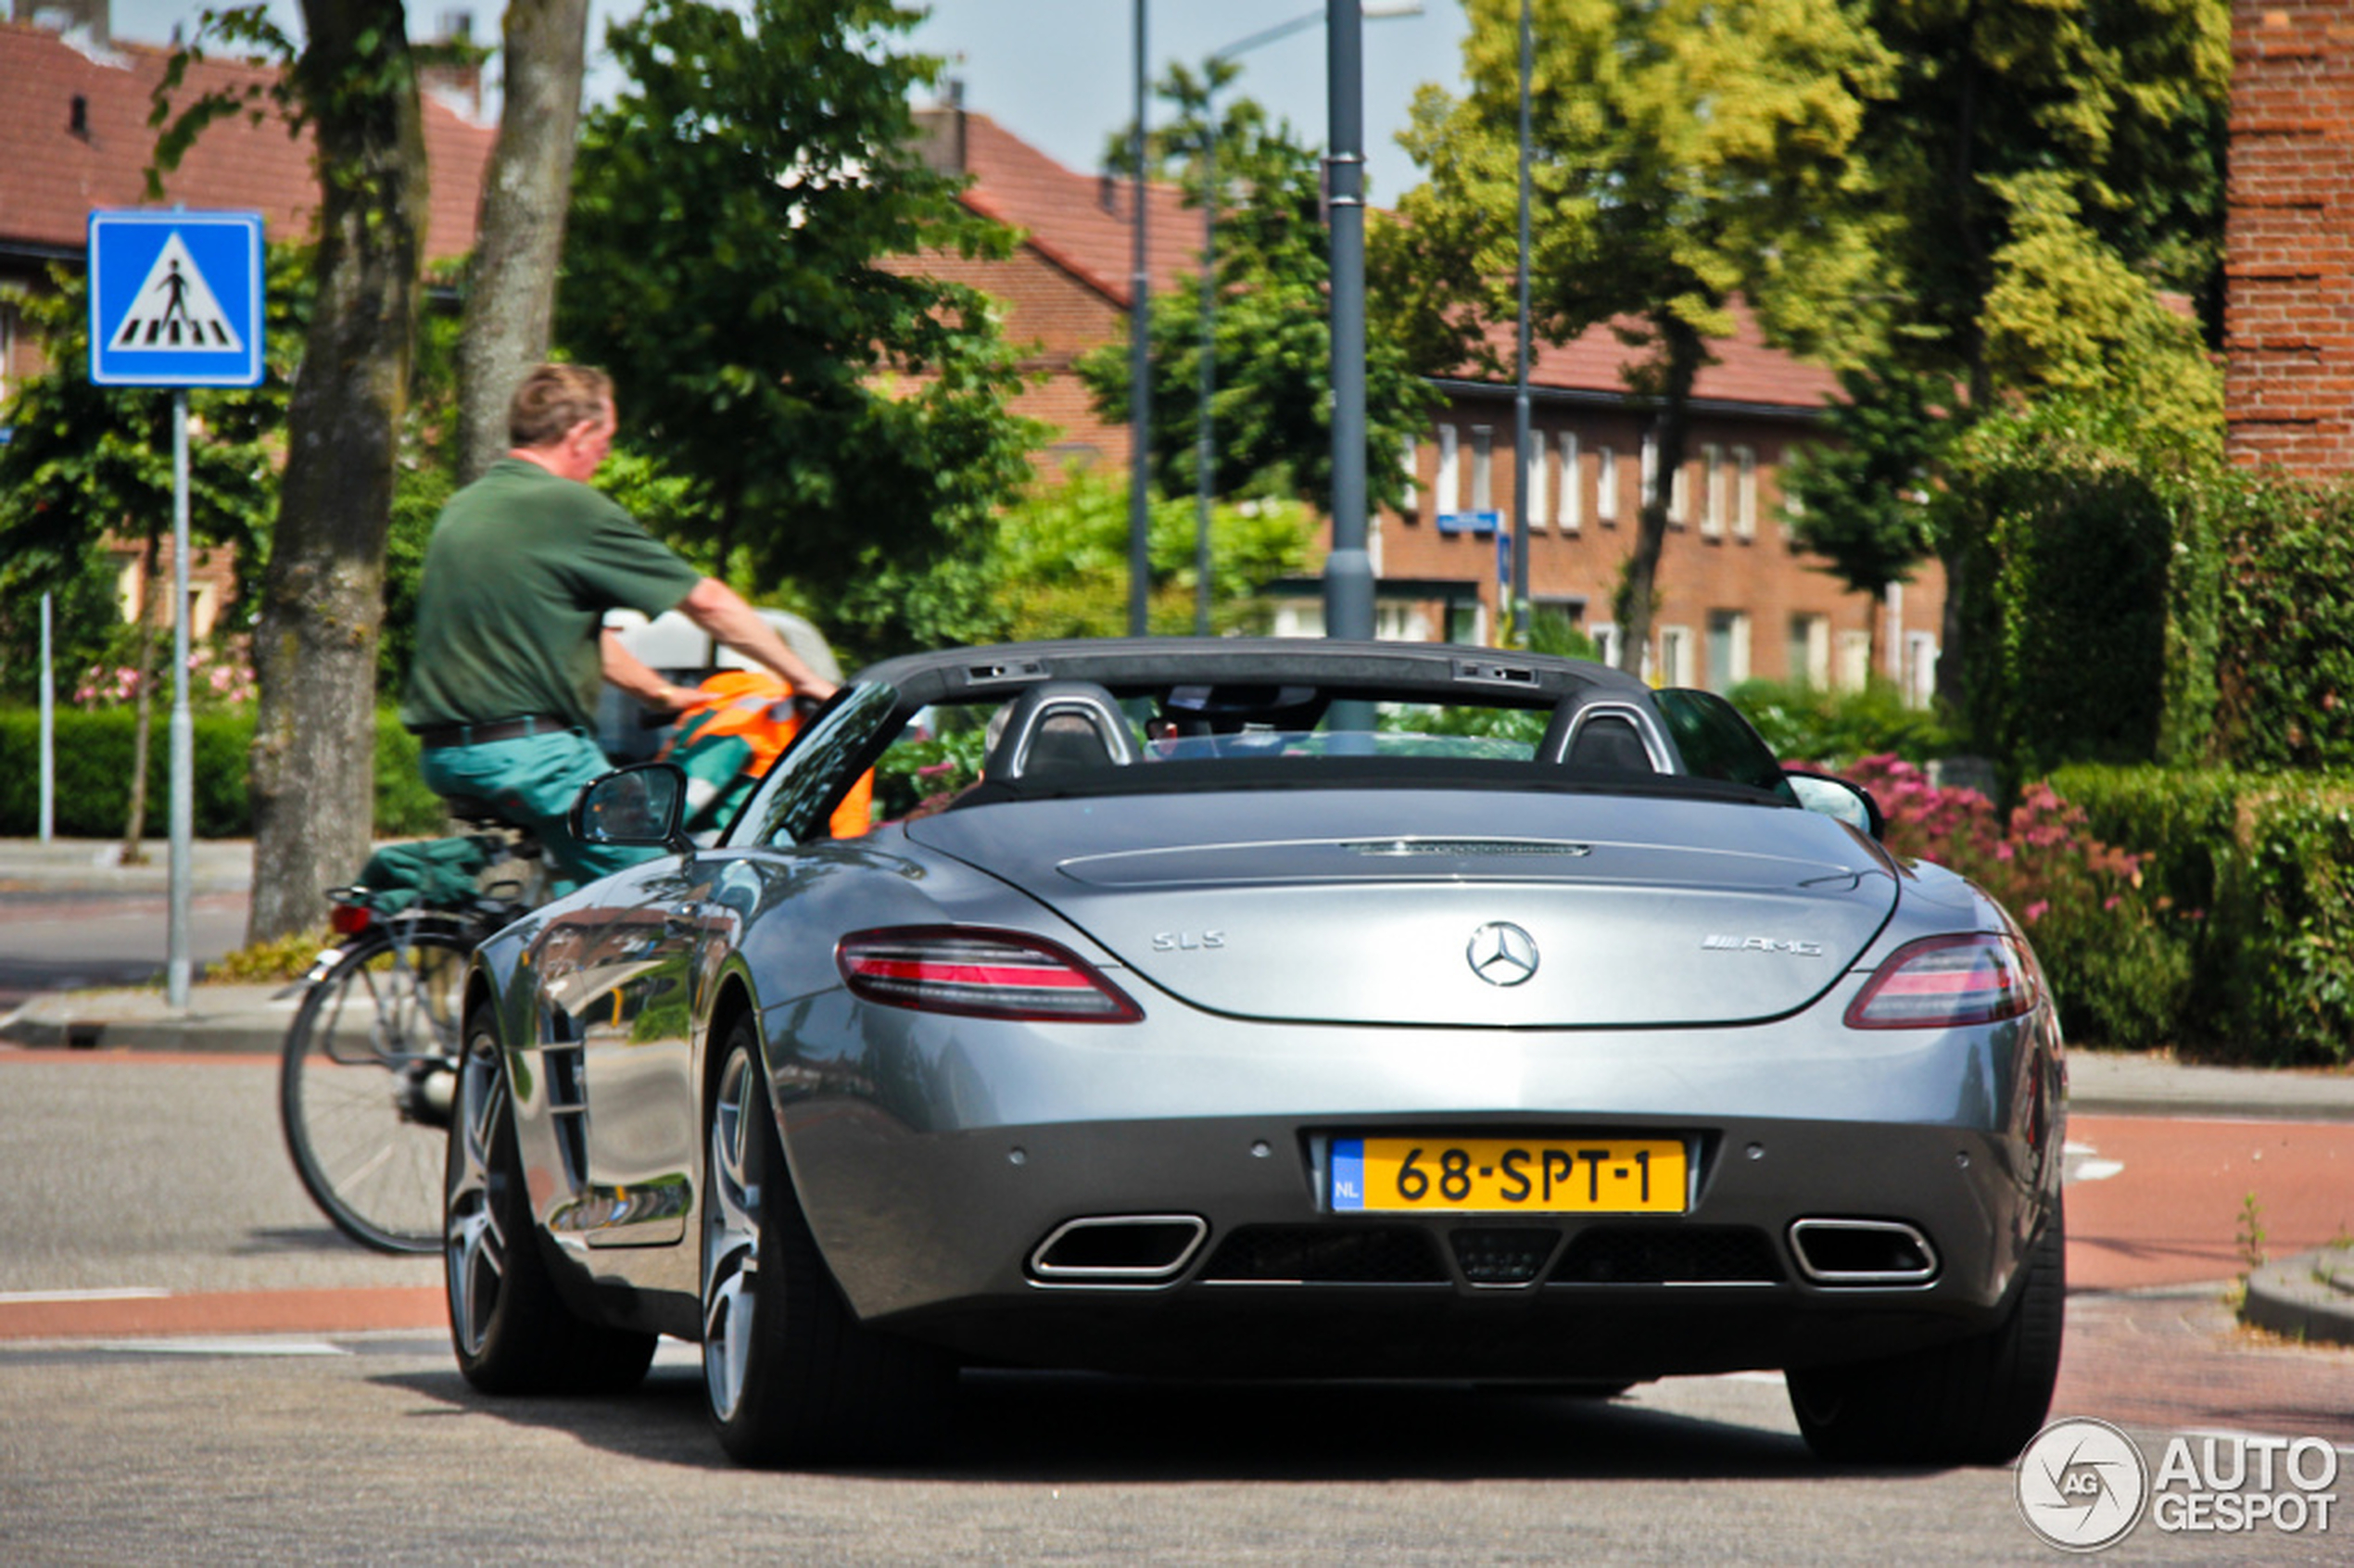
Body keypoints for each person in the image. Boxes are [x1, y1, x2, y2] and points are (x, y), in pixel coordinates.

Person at [399, 362, 837, 892]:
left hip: (445, 755)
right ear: (580, 433)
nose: (603, 460)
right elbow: (708, 602)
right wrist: (806, 677)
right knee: (653, 887)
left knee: (569, 889)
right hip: (533, 757)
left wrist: (662, 694)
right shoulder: (567, 507)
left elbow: (571, 638)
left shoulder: (464, 506)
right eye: (606, 443)